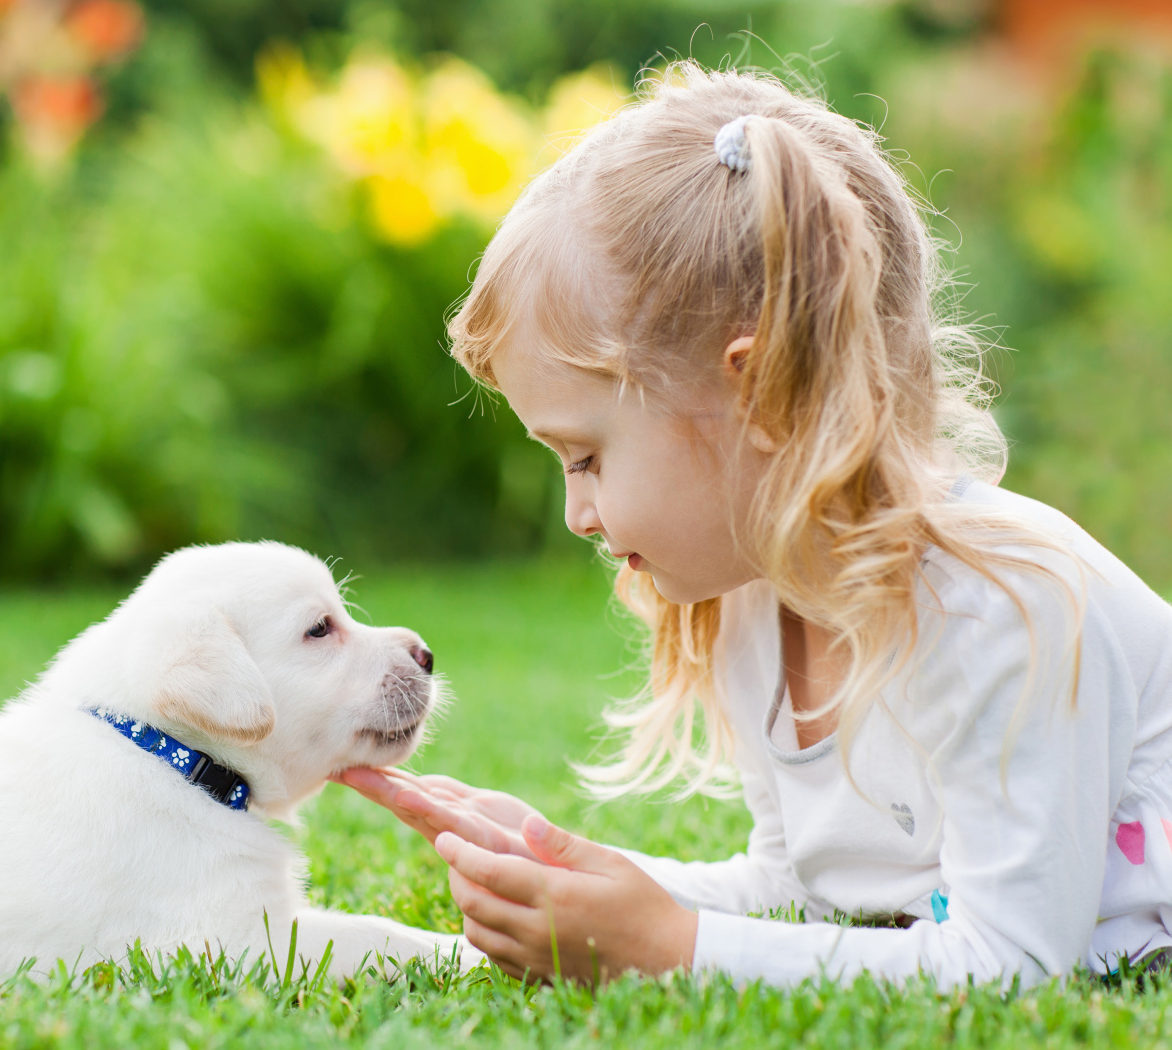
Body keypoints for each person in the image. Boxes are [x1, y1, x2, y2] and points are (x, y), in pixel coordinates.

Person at [337, 63, 1172, 989]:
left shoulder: (1004, 611)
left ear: (759, 391)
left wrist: (667, 950)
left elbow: (1009, 965)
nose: (577, 512)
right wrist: (562, 866)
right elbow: (796, 894)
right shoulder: (752, 603)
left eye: (585, 457)